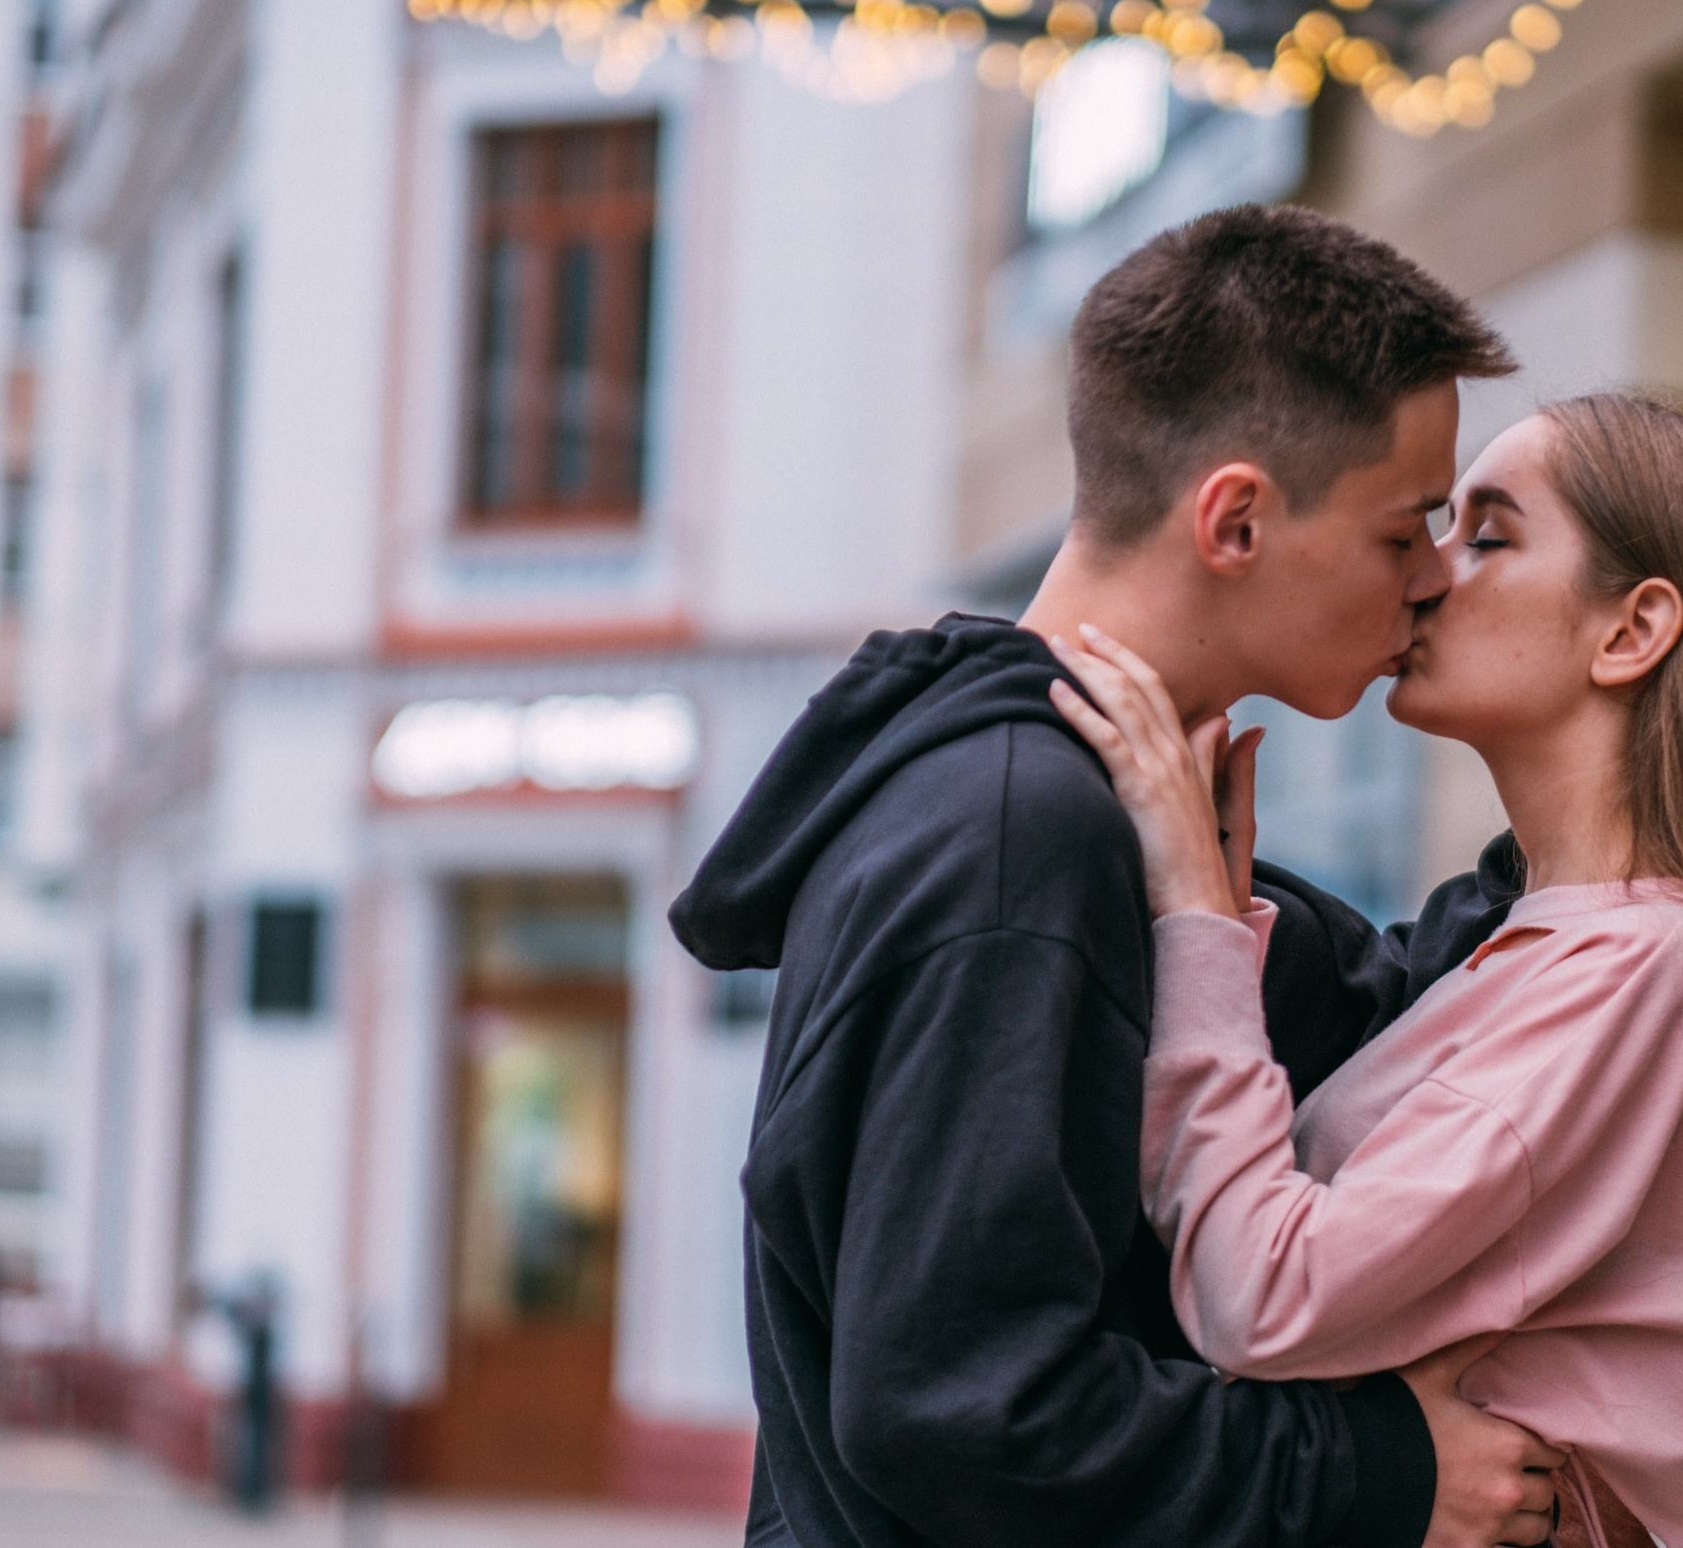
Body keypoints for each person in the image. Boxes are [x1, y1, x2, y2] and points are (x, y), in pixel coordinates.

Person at [672, 204, 1571, 1548]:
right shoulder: (1015, 838)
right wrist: (1379, 1471)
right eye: (1407, 529)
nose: (1435, 576)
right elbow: (960, 1401)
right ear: (1236, 519)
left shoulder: (1102, 807)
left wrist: (1592, 757)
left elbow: (1385, 1005)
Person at [1048, 396, 1683, 1548]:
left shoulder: (1646, 968)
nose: (1424, 574)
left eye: (1486, 535)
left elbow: (1261, 1294)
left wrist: (1194, 922)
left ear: (1630, 633)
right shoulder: (1549, 947)